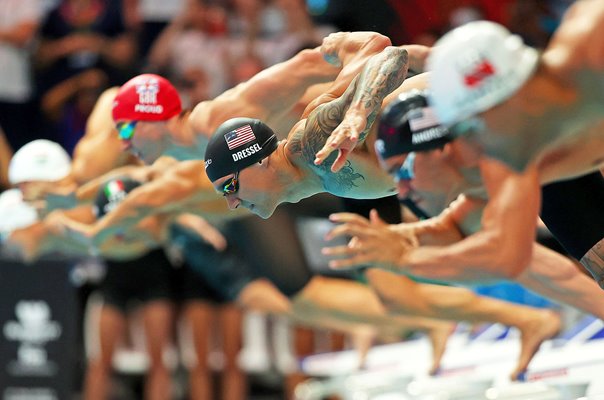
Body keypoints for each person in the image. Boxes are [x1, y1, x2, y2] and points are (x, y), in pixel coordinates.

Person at [323, 89, 604, 325]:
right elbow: (457, 229)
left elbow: (507, 257)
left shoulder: (499, 149)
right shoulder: (477, 171)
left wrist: (404, 259)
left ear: (438, 149)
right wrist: (404, 238)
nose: (403, 190)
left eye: (402, 172)